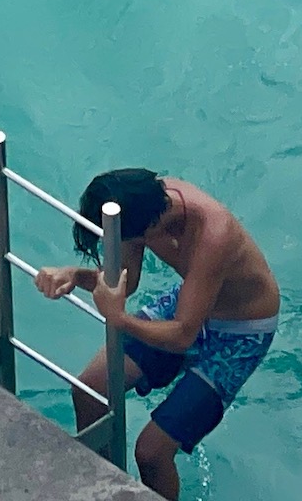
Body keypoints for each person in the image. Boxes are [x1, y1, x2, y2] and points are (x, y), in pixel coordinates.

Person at [34, 169, 280, 501]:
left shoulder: (213, 233)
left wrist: (118, 318)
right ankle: (103, 488)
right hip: (191, 302)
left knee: (151, 452)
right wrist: (74, 275)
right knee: (89, 391)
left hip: (241, 333)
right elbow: (125, 280)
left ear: (150, 226)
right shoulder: (137, 208)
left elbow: (182, 336)